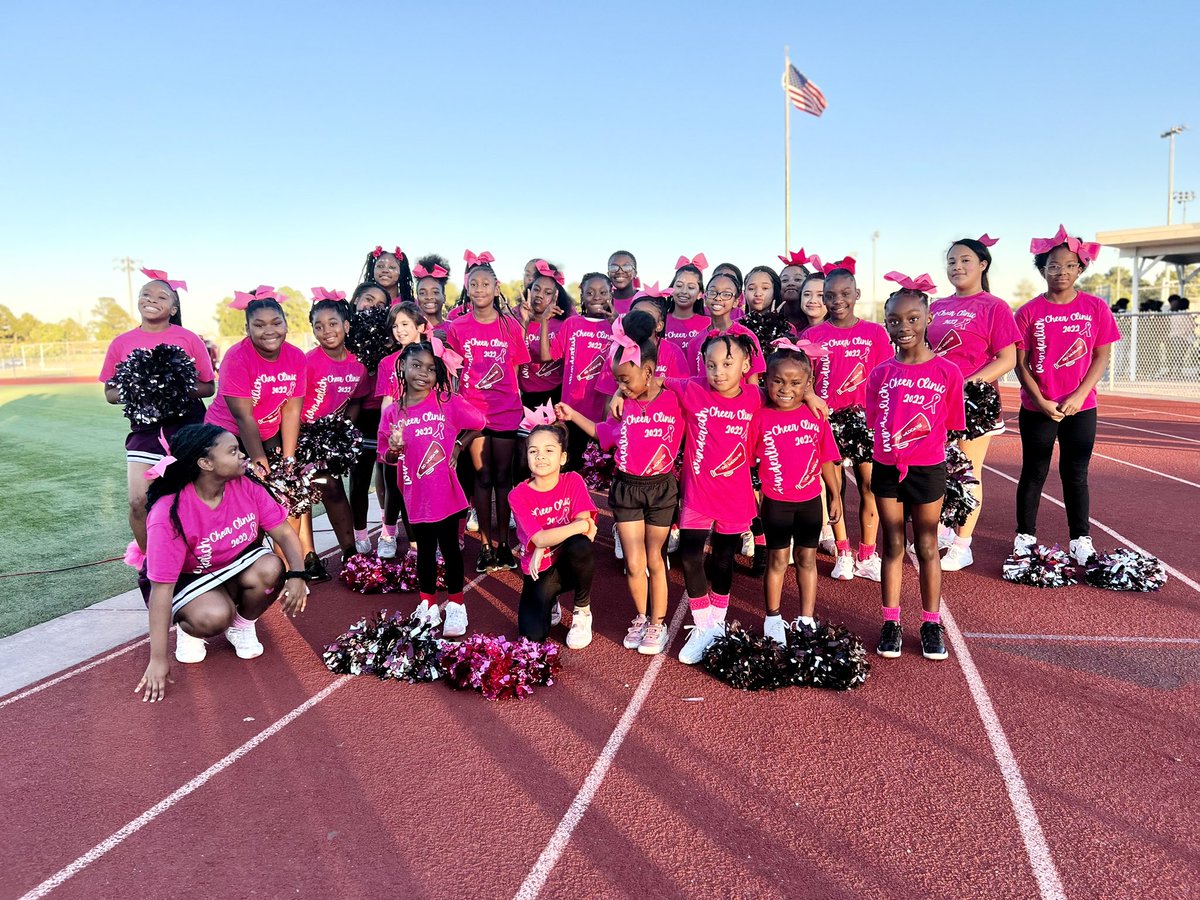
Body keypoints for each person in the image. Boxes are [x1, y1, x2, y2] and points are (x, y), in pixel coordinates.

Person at [134, 424, 308, 702]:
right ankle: (191, 628)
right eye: (233, 451)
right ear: (205, 463)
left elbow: (285, 533)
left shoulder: (247, 486)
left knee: (273, 567)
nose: (243, 456)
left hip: (234, 565)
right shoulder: (169, 513)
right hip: (189, 578)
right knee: (214, 616)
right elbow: (161, 590)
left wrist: (298, 574)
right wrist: (158, 658)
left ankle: (241, 624)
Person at [616, 333, 761, 665]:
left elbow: (787, 395)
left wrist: (811, 395)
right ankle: (704, 625)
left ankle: (717, 624)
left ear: (746, 365)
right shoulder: (691, 387)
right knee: (690, 554)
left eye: (727, 364)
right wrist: (616, 391)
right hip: (697, 493)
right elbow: (643, 376)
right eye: (711, 365)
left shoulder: (755, 397)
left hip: (735, 496)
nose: (719, 372)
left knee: (723, 561)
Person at [557, 317, 684, 656]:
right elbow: (602, 434)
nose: (623, 386)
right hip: (627, 488)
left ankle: (658, 622)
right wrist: (571, 414)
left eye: (626, 380)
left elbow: (697, 384)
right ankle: (641, 617)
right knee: (633, 559)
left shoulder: (675, 399)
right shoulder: (621, 407)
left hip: (661, 489)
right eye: (617, 381)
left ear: (650, 371)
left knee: (655, 558)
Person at [867, 274, 965, 661]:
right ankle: (891, 622)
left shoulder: (947, 373)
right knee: (891, 543)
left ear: (927, 320)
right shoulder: (880, 373)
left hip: (928, 468)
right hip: (887, 467)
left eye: (911, 319)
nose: (902, 327)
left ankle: (929, 622)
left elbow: (951, 423)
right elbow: (876, 419)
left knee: (926, 545)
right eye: (893, 320)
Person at [1014, 226, 1120, 564]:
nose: (1061, 272)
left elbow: (1101, 355)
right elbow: (1020, 363)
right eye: (1053, 265)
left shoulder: (1095, 308)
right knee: (1034, 472)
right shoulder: (1028, 312)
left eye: (1069, 265)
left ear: (1080, 268)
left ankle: (1080, 539)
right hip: (1038, 407)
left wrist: (1079, 395)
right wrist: (1041, 400)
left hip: (1081, 407)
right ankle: (1025, 536)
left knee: (1076, 474)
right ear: (1042, 269)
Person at [100, 269, 215, 553]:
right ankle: (152, 565)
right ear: (138, 301)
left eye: (162, 296)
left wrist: (172, 387)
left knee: (192, 499)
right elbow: (109, 393)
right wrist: (138, 389)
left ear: (173, 308)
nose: (152, 299)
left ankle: (203, 557)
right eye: (146, 294)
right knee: (138, 501)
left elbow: (208, 387)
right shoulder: (121, 343)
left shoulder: (188, 338)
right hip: (145, 430)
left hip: (188, 427)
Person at [927, 236, 1022, 571]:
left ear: (983, 264)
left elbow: (1007, 358)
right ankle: (941, 527)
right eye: (951, 261)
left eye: (965, 260)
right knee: (938, 468)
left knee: (968, 471)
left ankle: (963, 543)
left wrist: (967, 383)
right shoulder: (936, 306)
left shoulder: (994, 306)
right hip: (935, 399)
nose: (957, 267)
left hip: (973, 401)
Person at [380, 340, 484, 637]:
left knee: (450, 550)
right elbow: (385, 456)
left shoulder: (447, 402)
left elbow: (479, 421)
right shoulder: (392, 413)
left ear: (438, 373)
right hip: (414, 495)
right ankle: (426, 605)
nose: (423, 373)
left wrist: (460, 446)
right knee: (424, 552)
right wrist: (394, 450)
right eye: (416, 366)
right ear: (402, 367)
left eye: (430, 368)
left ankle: (455, 606)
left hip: (447, 494)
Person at [805, 262, 892, 582]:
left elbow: (886, 376)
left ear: (856, 294)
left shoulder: (875, 333)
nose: (837, 300)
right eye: (830, 295)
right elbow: (803, 379)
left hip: (865, 422)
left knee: (871, 486)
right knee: (834, 489)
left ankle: (868, 554)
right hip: (826, 421)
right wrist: (812, 398)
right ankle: (843, 551)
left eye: (844, 293)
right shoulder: (812, 334)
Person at [445, 252, 531, 572]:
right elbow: (454, 371)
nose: (479, 288)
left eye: (486, 283)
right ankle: (484, 544)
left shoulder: (511, 326)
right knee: (481, 477)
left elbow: (517, 370)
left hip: (506, 410)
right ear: (467, 289)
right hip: (473, 413)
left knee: (502, 478)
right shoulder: (457, 326)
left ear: (497, 288)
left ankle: (504, 545)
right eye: (473, 283)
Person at [296, 290, 369, 581]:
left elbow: (357, 400)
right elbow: (293, 404)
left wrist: (342, 430)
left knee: (333, 490)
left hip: (329, 439)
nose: (326, 331)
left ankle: (350, 554)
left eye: (333, 323)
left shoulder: (358, 365)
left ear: (346, 325)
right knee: (300, 497)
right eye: (318, 325)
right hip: (300, 435)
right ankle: (307, 557)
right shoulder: (307, 361)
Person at [510, 423, 598, 647]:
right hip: (540, 570)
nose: (540, 456)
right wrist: (541, 543)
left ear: (562, 457)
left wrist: (546, 539)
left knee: (581, 546)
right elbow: (543, 537)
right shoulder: (518, 494)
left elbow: (585, 529)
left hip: (569, 563)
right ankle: (552, 600)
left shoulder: (573, 481)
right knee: (532, 636)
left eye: (549, 450)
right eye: (533, 451)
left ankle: (582, 610)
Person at [204, 289, 306, 477]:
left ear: (286, 325)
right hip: (227, 431)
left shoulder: (297, 356)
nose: (269, 331)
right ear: (247, 328)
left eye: (276, 323)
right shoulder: (237, 358)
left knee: (281, 482)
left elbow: (291, 411)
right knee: (242, 484)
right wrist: (259, 463)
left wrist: (288, 459)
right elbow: (244, 417)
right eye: (259, 325)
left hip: (267, 431)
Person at [540, 272, 615, 470]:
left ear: (611, 294)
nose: (596, 297)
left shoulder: (617, 326)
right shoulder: (572, 324)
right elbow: (547, 356)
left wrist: (618, 324)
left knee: (598, 473)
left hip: (602, 415)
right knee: (571, 469)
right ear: (582, 296)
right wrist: (545, 322)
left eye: (602, 292)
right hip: (571, 411)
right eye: (589, 292)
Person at [373, 302, 427, 559]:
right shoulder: (387, 362)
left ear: (420, 326)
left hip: (424, 432)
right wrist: (386, 435)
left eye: (405, 324)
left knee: (419, 487)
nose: (399, 330)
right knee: (394, 486)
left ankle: (418, 541)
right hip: (396, 434)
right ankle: (388, 533)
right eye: (395, 325)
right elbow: (386, 401)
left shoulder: (432, 358)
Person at [346, 281, 391, 553]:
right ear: (355, 301)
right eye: (367, 300)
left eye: (380, 304)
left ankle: (388, 531)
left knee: (388, 479)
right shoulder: (347, 337)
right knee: (359, 478)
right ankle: (360, 535)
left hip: (387, 415)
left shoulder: (391, 338)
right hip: (358, 414)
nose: (372, 307)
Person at [685, 272, 766, 383]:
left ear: (736, 301)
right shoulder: (694, 343)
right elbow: (693, 383)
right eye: (713, 292)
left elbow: (753, 384)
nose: (718, 298)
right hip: (704, 400)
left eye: (726, 294)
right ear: (705, 297)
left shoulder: (746, 336)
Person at [663, 255, 711, 350]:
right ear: (671, 289)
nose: (684, 291)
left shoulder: (709, 324)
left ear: (700, 294)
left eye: (691, 287)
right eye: (679, 285)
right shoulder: (659, 321)